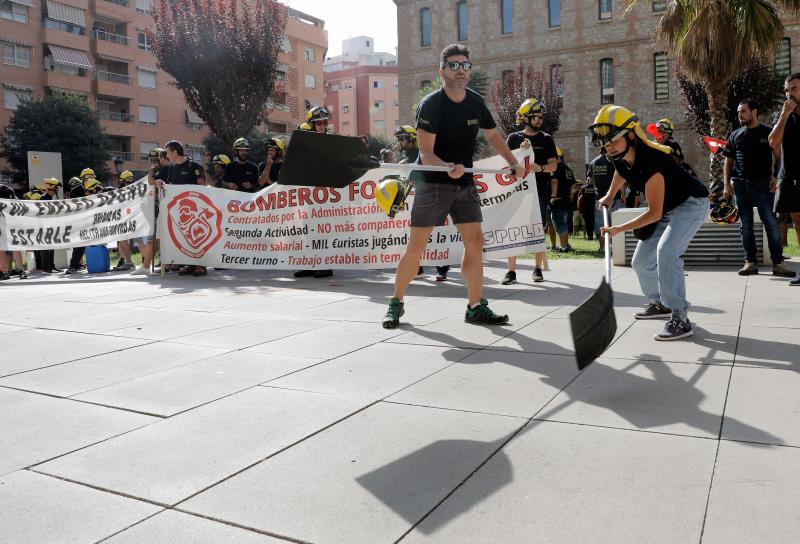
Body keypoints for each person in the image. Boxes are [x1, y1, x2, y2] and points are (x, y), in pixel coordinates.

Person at [382, 43, 524, 328]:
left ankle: (475, 306)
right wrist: (449, 167)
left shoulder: (475, 102)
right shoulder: (431, 105)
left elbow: (495, 137)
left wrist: (513, 162)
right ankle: (395, 303)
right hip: (433, 184)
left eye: (465, 65)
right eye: (454, 65)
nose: (461, 70)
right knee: (416, 247)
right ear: (442, 71)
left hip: (465, 184)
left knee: (475, 243)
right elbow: (426, 154)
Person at [592, 104, 709, 341]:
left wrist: (618, 229)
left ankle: (680, 316)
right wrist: (609, 195)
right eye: (605, 142)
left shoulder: (652, 160)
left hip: (691, 204)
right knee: (640, 262)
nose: (609, 146)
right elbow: (620, 172)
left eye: (613, 140)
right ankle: (660, 303)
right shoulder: (618, 154)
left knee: (667, 252)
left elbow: (653, 213)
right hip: (668, 207)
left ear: (631, 135)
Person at [722, 99, 795, 278]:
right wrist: (726, 184)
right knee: (745, 225)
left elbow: (779, 156)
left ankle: (778, 263)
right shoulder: (735, 134)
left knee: (771, 223)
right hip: (739, 185)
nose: (740, 115)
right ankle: (750, 263)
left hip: (763, 185)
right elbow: (728, 160)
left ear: (754, 112)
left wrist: (775, 177)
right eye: (739, 112)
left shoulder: (767, 132)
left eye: (744, 111)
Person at [501, 98, 557, 285]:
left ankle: (538, 269)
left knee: (537, 230)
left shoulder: (546, 139)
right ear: (526, 118)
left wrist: (539, 167)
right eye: (536, 117)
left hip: (539, 191)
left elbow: (553, 165)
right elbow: (506, 164)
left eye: (541, 117)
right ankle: (511, 272)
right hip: (517, 192)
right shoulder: (513, 138)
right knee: (513, 229)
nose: (539, 120)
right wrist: (520, 152)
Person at [395, 124, 451, 281]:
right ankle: (417, 269)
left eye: (402, 138)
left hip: (433, 194)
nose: (399, 142)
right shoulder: (405, 154)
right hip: (417, 197)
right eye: (398, 139)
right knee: (414, 235)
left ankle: (442, 269)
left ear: (411, 138)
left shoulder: (424, 151)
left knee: (438, 233)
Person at [151, 140, 208, 277]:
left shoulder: (194, 166)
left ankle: (201, 265)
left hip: (195, 209)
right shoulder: (170, 168)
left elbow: (202, 186)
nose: (167, 155)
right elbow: (155, 182)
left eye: (168, 152)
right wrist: (159, 182)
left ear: (175, 152)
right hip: (177, 210)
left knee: (197, 234)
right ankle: (190, 264)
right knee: (184, 237)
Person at [294, 108, 334, 279]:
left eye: (325, 122)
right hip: (308, 194)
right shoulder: (304, 145)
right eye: (319, 123)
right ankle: (309, 264)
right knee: (307, 229)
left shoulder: (332, 141)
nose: (322, 126)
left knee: (323, 230)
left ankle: (325, 265)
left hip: (326, 194)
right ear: (311, 125)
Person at [768, 72, 800, 286]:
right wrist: (784, 115)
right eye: (787, 90)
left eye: (794, 89)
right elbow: (772, 141)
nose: (789, 94)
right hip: (789, 176)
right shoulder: (786, 116)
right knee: (797, 221)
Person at [587, 147, 618, 253]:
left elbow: (589, 181)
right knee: (614, 222)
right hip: (614, 196)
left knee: (601, 223)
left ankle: (602, 248)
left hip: (599, 197)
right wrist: (623, 194)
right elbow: (618, 177)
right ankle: (614, 248)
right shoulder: (612, 160)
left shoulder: (592, 162)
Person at [549, 147, 575, 253]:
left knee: (559, 223)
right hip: (567, 201)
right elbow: (573, 185)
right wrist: (570, 196)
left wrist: (553, 196)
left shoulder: (556, 167)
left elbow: (554, 181)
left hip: (558, 200)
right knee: (563, 223)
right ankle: (566, 245)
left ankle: (563, 247)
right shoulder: (568, 169)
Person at [112, 170, 137, 272]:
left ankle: (129, 262)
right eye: (128, 181)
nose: (129, 183)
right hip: (123, 217)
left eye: (130, 180)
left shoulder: (131, 191)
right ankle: (125, 261)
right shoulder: (123, 191)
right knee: (122, 240)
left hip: (128, 217)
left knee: (123, 240)